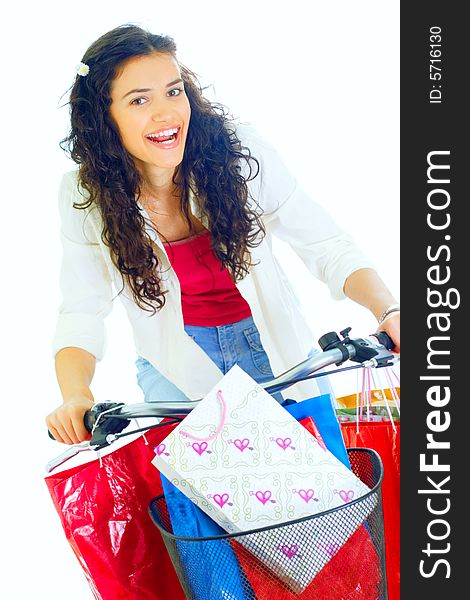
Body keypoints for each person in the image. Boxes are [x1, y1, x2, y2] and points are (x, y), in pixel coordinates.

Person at [46, 23, 400, 445]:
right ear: (104, 118)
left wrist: (388, 311)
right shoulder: (86, 195)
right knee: (211, 508)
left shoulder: (237, 155)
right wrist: (76, 396)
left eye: (173, 91)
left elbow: (326, 245)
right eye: (139, 100)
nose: (166, 113)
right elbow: (82, 310)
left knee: (331, 499)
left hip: (275, 344)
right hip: (177, 366)